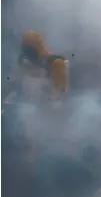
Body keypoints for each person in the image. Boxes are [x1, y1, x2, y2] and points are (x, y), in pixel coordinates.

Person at [10, 30, 71, 162]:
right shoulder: (24, 61)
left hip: (49, 108)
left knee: (53, 138)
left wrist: (49, 101)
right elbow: (19, 80)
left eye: (29, 48)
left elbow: (60, 90)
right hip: (29, 105)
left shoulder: (56, 63)